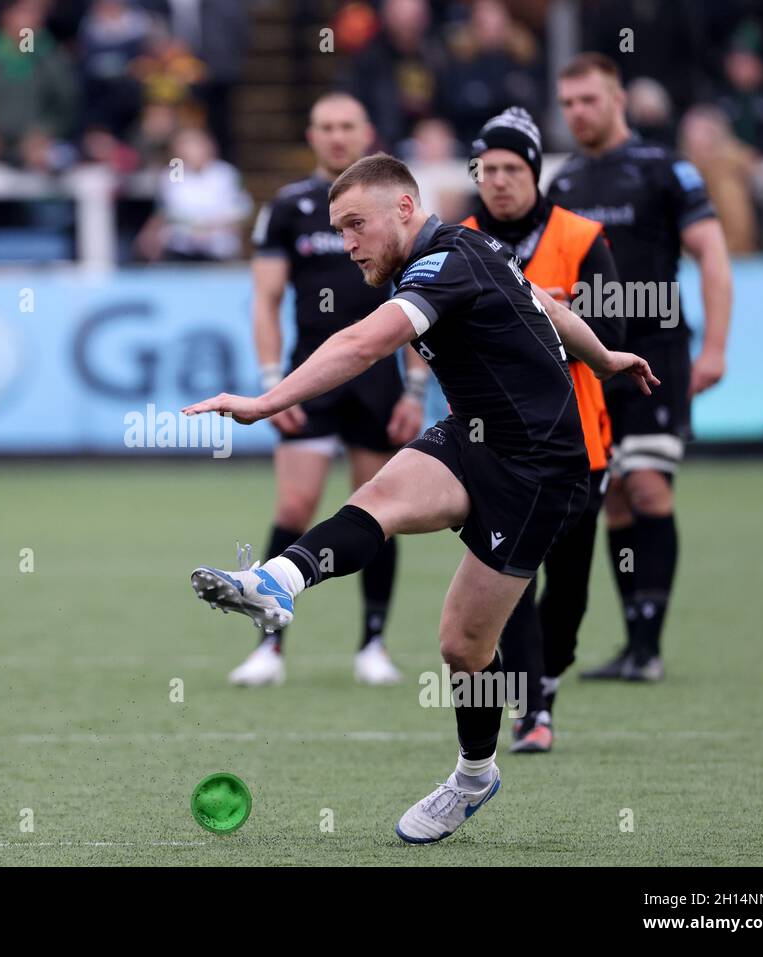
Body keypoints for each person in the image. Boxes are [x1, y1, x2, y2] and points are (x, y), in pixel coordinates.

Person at [182, 153, 657, 843]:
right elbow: (550, 306)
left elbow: (363, 343)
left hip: (541, 471)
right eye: (339, 230)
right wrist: (604, 357)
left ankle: (473, 775)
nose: (347, 245)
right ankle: (275, 581)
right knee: (380, 496)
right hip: (474, 437)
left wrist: (266, 401)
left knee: (463, 647)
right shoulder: (471, 246)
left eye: (356, 225)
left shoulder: (445, 262)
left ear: (405, 208)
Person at [228, 92, 426, 687]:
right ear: (311, 136)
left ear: (366, 131)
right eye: (326, 127)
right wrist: (272, 383)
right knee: (294, 509)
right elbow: (265, 300)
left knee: (378, 508)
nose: (337, 136)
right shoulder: (288, 207)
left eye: (347, 126)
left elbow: (420, 300)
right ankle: (269, 647)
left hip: (380, 381)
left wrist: (415, 389)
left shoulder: (392, 205)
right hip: (309, 378)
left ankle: (373, 645)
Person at [548, 53, 732, 681]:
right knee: (616, 496)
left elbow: (712, 254)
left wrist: (715, 347)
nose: (578, 113)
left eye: (588, 100)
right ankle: (634, 643)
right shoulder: (565, 182)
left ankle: (649, 649)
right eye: (568, 103)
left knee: (648, 483)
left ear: (618, 99)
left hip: (657, 353)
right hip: (592, 360)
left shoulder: (664, 169)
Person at [462, 107, 622, 753]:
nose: (498, 180)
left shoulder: (580, 237)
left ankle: (549, 680)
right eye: (486, 169)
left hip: (578, 442)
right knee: (511, 576)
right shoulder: (458, 239)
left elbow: (613, 332)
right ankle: (532, 707)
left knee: (570, 589)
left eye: (511, 167)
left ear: (534, 171)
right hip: (496, 444)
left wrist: (542, 315)